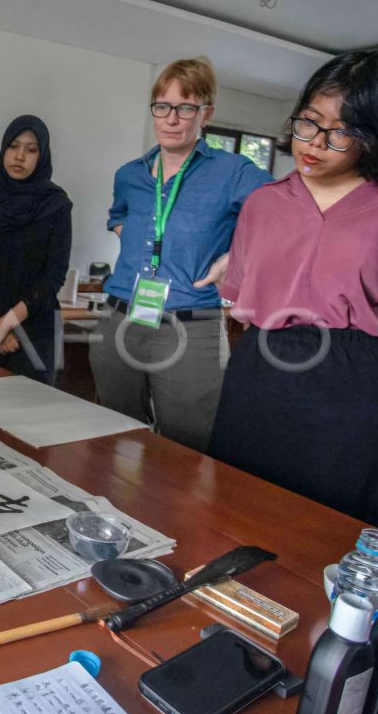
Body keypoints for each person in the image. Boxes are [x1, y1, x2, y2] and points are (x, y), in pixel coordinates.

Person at [207, 51, 378, 523]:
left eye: (341, 131)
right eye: (309, 121)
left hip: (356, 379)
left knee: (331, 521)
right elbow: (241, 295)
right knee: (235, 505)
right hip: (261, 367)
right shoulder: (263, 203)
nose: (316, 143)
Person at [89, 58, 272, 452]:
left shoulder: (233, 171)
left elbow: (287, 214)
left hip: (189, 326)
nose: (171, 119)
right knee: (115, 439)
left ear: (206, 113)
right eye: (162, 106)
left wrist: (237, 258)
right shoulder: (129, 175)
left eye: (185, 107)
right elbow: (118, 214)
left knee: (186, 447)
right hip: (119, 317)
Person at [0, 115, 72, 383]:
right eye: (13, 146)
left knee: (29, 418)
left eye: (31, 149)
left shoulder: (56, 205)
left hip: (34, 333)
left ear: (42, 156)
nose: (19, 156)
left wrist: (6, 324)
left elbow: (53, 276)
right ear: (3, 150)